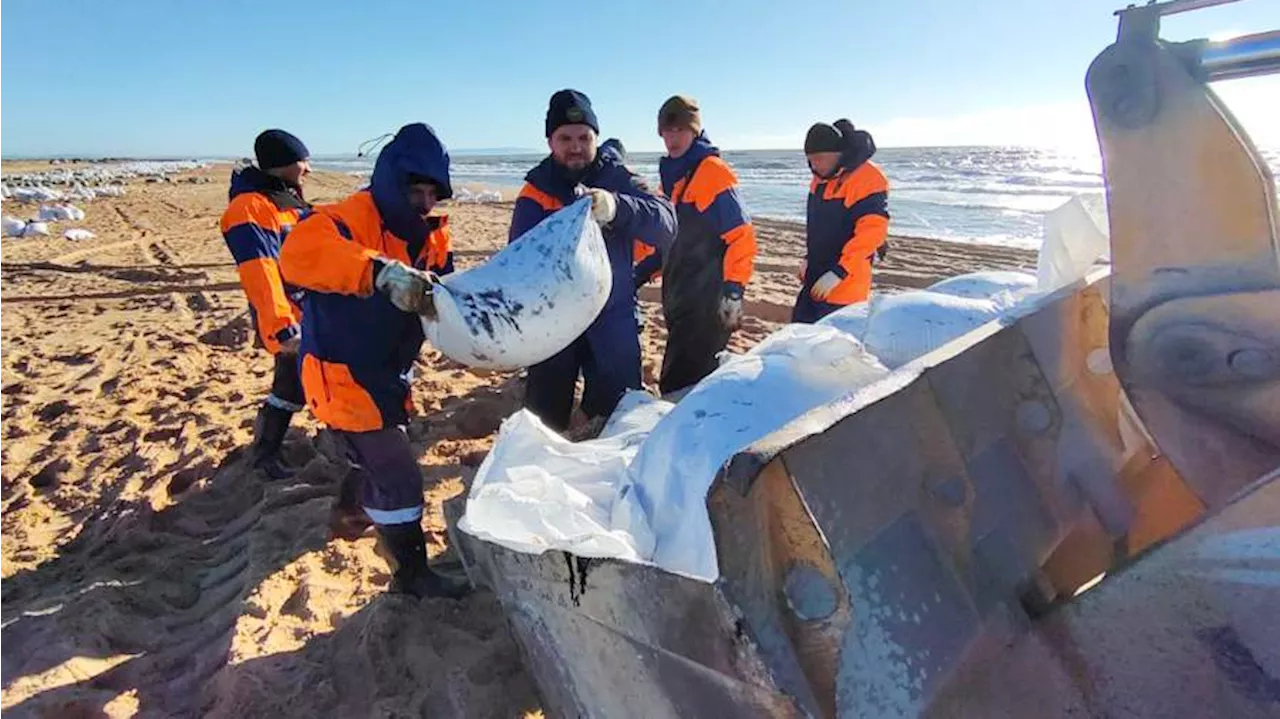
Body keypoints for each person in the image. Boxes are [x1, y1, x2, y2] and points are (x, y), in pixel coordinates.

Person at [279, 122, 465, 599]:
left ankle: (349, 513)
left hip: (389, 370)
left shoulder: (430, 237)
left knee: (370, 459)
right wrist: (377, 272)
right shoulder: (341, 221)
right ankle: (410, 575)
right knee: (399, 473)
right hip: (341, 373)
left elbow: (449, 294)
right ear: (389, 181)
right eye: (413, 189)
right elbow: (297, 255)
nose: (423, 202)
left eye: (431, 193)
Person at [510, 89, 677, 434]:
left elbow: (666, 223)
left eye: (584, 137)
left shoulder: (618, 177)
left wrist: (616, 207)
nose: (575, 146)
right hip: (553, 319)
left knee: (620, 414)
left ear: (596, 139)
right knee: (544, 417)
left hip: (612, 314)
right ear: (549, 141)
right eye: (565, 138)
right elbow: (518, 259)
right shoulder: (536, 190)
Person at [219, 129, 312, 479]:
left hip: (307, 308)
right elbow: (260, 271)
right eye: (304, 160)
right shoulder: (250, 208)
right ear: (284, 164)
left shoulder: (282, 199)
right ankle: (263, 456)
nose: (309, 168)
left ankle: (265, 452)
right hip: (289, 315)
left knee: (296, 384)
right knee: (290, 383)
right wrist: (282, 328)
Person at [651, 95, 757, 395]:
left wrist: (734, 290)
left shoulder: (712, 171)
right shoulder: (673, 174)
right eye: (667, 131)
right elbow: (671, 235)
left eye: (680, 130)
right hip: (681, 296)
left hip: (707, 302)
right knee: (685, 379)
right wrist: (643, 269)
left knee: (681, 384)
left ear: (695, 131)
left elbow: (742, 236)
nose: (673, 138)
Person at [794, 119, 889, 323]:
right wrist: (808, 257)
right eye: (809, 159)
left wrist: (839, 272)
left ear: (838, 154)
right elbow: (819, 227)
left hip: (846, 284)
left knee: (832, 347)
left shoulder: (868, 177)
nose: (813, 165)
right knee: (798, 336)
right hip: (815, 275)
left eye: (818, 158)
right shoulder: (820, 178)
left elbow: (872, 232)